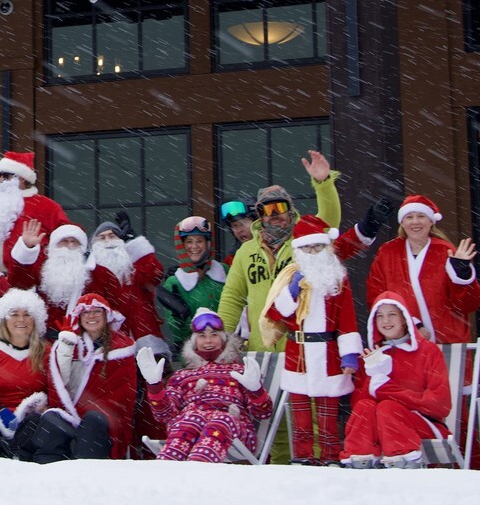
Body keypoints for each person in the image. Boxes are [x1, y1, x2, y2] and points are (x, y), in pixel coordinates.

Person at [214, 150, 347, 346]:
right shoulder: (246, 252)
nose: (274, 214)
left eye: (280, 207)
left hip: (301, 349)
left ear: (290, 210)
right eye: (268, 209)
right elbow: (232, 298)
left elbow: (329, 220)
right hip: (261, 351)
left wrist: (323, 184)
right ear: (260, 215)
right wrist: (219, 340)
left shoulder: (306, 241)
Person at [263, 215, 363, 464]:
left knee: (328, 418)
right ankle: (303, 457)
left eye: (317, 246)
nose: (313, 252)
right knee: (301, 419)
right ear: (299, 250)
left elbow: (347, 319)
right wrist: (291, 292)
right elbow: (275, 314)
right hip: (298, 353)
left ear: (326, 247)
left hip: (329, 353)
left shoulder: (338, 279)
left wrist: (350, 354)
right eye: (307, 247)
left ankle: (330, 457)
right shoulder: (289, 277)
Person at [141, 311, 271, 463]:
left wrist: (255, 390)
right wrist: (154, 386)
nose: (208, 341)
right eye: (202, 336)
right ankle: (166, 468)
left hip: (235, 433)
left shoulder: (240, 372)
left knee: (220, 420)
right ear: (194, 342)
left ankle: (199, 467)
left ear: (223, 339)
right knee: (191, 419)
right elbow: (164, 415)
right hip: (188, 431)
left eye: (214, 335)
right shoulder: (182, 376)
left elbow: (264, 413)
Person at [341, 295, 451, 468]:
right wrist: (373, 377)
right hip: (379, 429)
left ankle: (402, 461)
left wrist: (385, 388)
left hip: (423, 423)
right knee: (365, 407)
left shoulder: (428, 351)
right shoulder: (371, 355)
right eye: (380, 316)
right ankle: (360, 462)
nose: (386, 321)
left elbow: (440, 404)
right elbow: (358, 405)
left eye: (392, 314)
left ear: (404, 319)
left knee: (388, 408)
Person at [360, 195, 480, 344]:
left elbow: (468, 305)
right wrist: (411, 324)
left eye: (421, 216)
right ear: (402, 223)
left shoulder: (447, 251)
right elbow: (377, 298)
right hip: (404, 341)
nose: (415, 222)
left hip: (447, 341)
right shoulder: (388, 252)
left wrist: (463, 276)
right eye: (409, 217)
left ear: (431, 221)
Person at [0, 288, 61, 460]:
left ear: (36, 320)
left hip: (31, 418)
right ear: (4, 320)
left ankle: (20, 462)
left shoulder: (46, 352)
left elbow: (54, 391)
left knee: (39, 422)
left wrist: (43, 406)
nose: (21, 319)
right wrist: (5, 415)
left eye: (27, 314)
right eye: (14, 314)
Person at [43, 296, 140, 459]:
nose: (91, 316)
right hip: (70, 413)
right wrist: (65, 349)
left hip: (102, 420)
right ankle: (49, 467)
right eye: (86, 313)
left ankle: (86, 466)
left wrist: (90, 410)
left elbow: (122, 396)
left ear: (106, 315)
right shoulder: (70, 343)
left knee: (93, 421)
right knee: (51, 420)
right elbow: (60, 383)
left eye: (97, 312)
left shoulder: (122, 349)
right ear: (79, 318)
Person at [152, 216, 226, 348]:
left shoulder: (224, 271)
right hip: (195, 353)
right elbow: (177, 333)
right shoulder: (174, 282)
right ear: (183, 245)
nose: (194, 246)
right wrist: (180, 317)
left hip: (227, 349)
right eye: (189, 242)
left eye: (200, 241)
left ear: (208, 243)